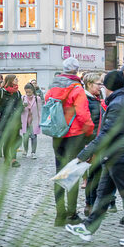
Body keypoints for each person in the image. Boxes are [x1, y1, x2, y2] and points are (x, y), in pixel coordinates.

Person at [66, 70, 124, 246]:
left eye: (103, 83)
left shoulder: (118, 103)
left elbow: (107, 132)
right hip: (114, 155)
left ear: (108, 86)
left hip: (121, 155)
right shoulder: (119, 100)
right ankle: (88, 228)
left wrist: (85, 154)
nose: (101, 86)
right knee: (103, 194)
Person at [45, 57, 95, 226]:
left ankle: (59, 215)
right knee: (72, 173)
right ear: (76, 70)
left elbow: (48, 104)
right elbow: (82, 115)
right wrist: (90, 133)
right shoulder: (77, 88)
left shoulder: (53, 85)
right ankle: (71, 215)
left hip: (58, 134)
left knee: (60, 172)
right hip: (75, 135)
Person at [83, 72, 112, 216]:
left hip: (99, 142)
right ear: (89, 84)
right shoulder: (86, 100)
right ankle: (90, 204)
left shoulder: (97, 99)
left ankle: (92, 204)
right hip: (92, 143)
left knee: (96, 174)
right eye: (98, 84)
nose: (101, 87)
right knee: (94, 175)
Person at [0, 75, 24, 168]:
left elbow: (20, 106)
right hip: (5, 121)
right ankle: (6, 159)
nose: (17, 80)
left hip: (16, 121)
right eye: (15, 79)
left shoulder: (17, 93)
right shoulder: (2, 92)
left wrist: (18, 111)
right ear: (10, 81)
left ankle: (14, 160)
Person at [20, 83, 42, 159]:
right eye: (26, 92)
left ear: (33, 90)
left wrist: (40, 121)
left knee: (34, 136)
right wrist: (22, 106)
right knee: (25, 137)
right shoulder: (22, 98)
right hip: (25, 120)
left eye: (29, 92)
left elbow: (39, 110)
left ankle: (33, 152)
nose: (28, 94)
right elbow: (19, 109)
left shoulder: (37, 98)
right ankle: (25, 151)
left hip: (34, 120)